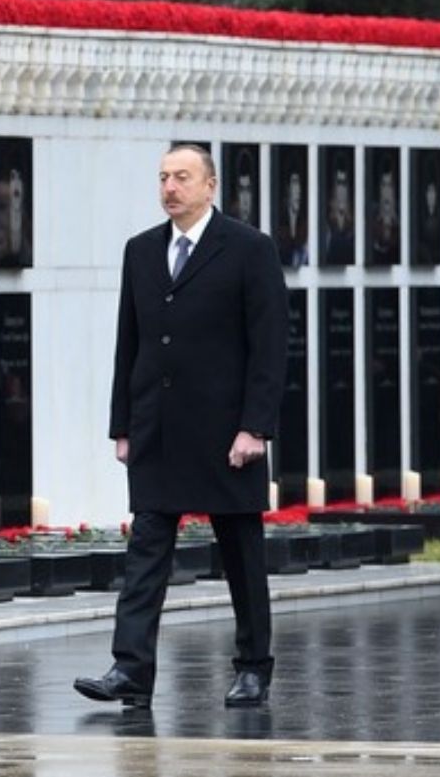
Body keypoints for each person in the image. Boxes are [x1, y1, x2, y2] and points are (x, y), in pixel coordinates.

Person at [75, 143, 285, 712]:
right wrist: (123, 425)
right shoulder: (141, 251)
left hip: (225, 435)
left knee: (241, 553)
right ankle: (130, 668)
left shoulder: (248, 249)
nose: (170, 187)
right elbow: (130, 343)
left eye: (183, 177)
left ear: (211, 186)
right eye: (164, 177)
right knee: (146, 550)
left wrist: (255, 428)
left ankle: (252, 667)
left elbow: (268, 348)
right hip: (159, 430)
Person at [273, 166, 308, 268]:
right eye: (294, 183)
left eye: (299, 184)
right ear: (287, 189)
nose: (297, 191)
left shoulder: (308, 222)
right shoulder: (277, 221)